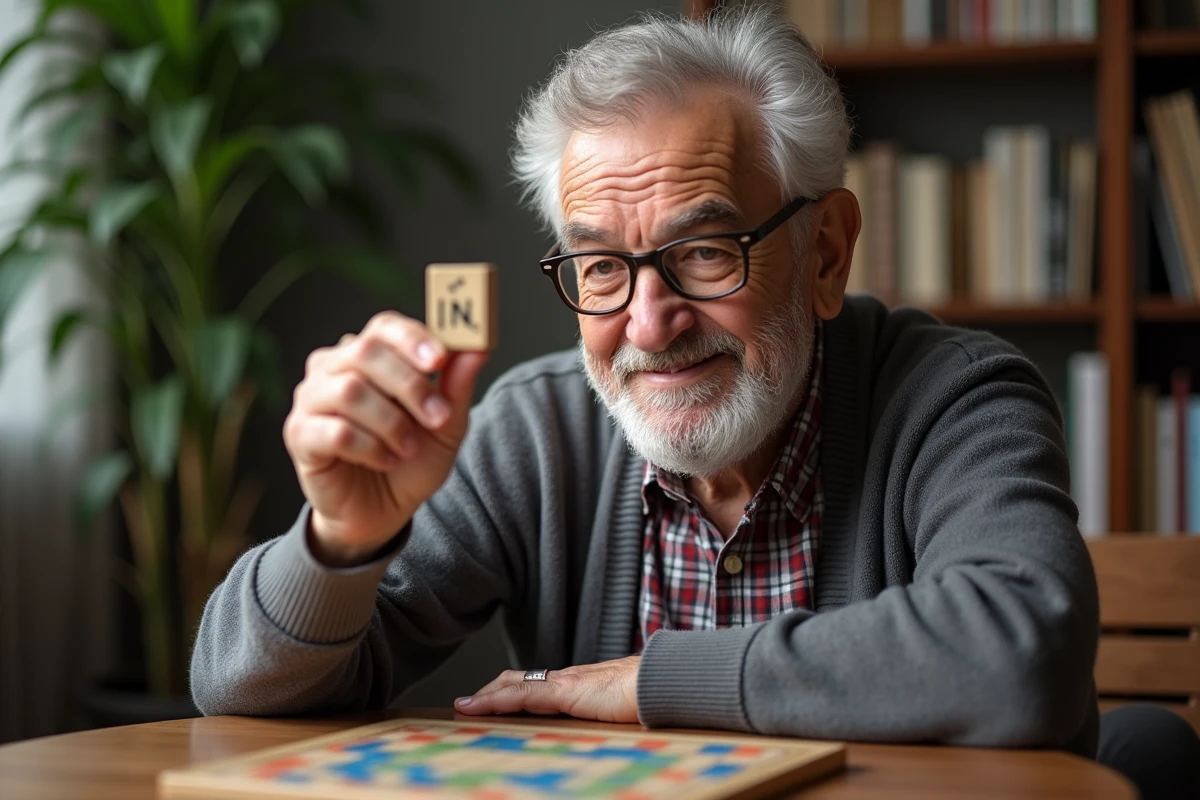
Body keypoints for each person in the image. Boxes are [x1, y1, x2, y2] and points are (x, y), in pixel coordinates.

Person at [192, 7, 1102, 757]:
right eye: (600, 269)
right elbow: (239, 691)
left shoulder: (957, 397)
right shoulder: (532, 433)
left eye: (706, 253)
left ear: (825, 252)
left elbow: (1023, 658)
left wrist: (650, 682)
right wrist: (342, 540)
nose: (649, 322)